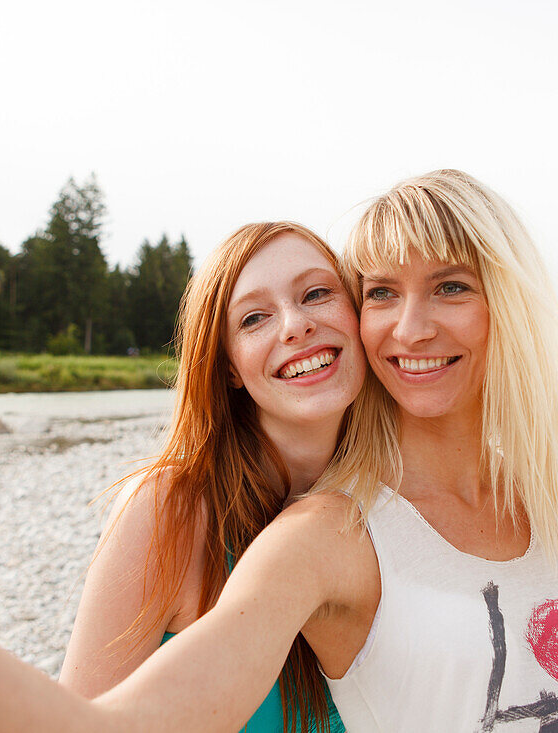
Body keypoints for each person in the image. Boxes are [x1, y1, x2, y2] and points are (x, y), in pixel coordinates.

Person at [0, 91, 558, 733]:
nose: (410, 325)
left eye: (451, 285)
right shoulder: (319, 536)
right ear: (226, 365)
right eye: (382, 292)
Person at [59, 219, 358, 733]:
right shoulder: (171, 509)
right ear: (229, 369)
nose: (294, 324)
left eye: (316, 293)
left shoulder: (400, 502)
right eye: (254, 318)